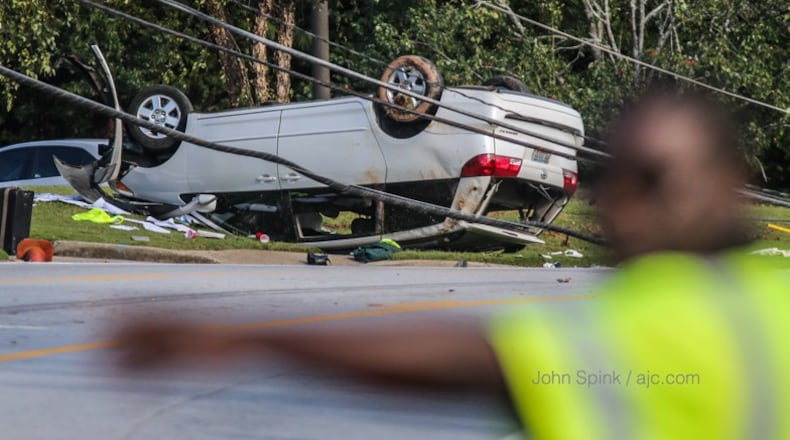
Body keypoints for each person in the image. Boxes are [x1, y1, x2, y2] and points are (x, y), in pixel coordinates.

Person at [115, 89, 789, 439]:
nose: (630, 208)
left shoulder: (667, 318)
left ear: (730, 183)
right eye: (615, 182)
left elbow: (479, 359)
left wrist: (240, 340)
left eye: (653, 177)